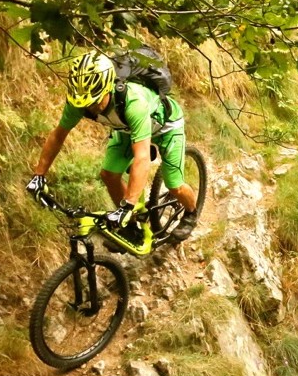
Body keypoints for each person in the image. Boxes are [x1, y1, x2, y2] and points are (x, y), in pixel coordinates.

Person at [26, 51, 199, 241]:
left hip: (166, 127)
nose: (91, 108)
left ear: (108, 88)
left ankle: (191, 213)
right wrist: (39, 175)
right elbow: (58, 135)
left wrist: (128, 204)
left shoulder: (133, 102)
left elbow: (142, 158)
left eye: (95, 102)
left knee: (174, 185)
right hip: (127, 129)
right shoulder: (80, 101)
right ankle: (131, 227)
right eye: (86, 105)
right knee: (108, 174)